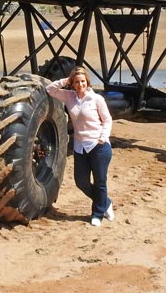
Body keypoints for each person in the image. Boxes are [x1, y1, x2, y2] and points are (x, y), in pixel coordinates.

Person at [46, 66, 114, 227]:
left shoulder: (96, 99)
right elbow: (50, 89)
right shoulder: (69, 97)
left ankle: (97, 213)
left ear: (87, 82)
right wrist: (66, 81)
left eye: (82, 81)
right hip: (80, 147)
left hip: (98, 147)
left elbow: (107, 120)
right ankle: (106, 202)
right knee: (81, 182)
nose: (80, 84)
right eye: (76, 82)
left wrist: (103, 138)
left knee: (100, 182)